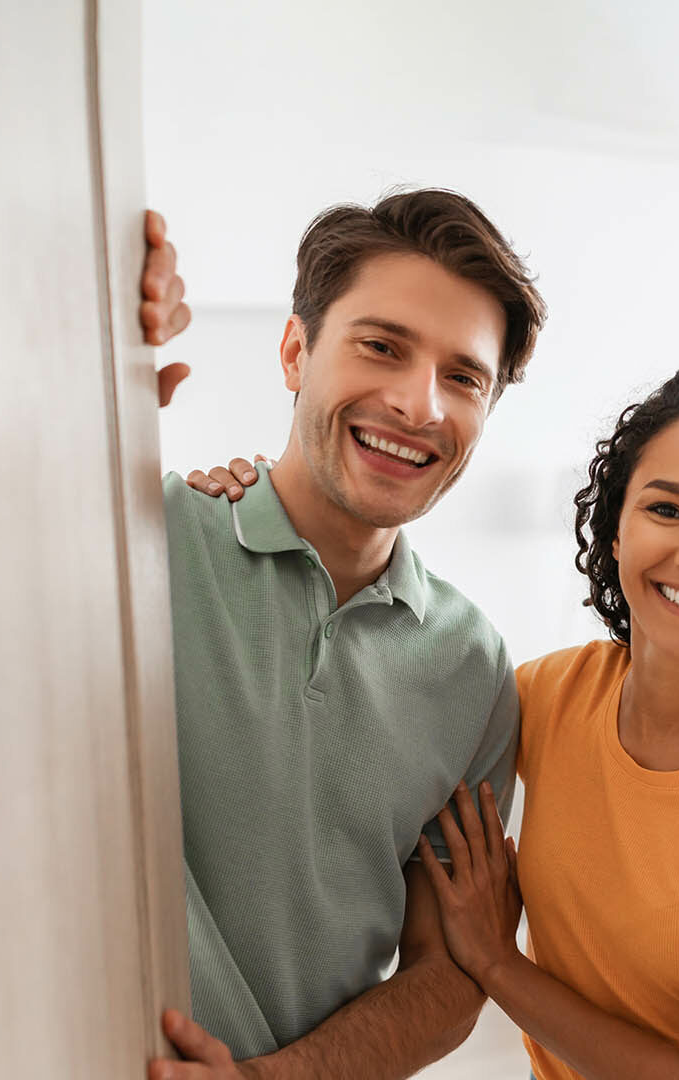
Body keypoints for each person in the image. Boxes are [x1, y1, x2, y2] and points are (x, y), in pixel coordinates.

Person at [196, 362, 679, 1078]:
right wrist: (248, 500)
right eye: (667, 508)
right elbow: (377, 717)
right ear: (615, 531)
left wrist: (501, 967)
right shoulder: (545, 698)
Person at [131, 191, 548, 1080]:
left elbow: (447, 975)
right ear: (295, 352)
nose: (417, 403)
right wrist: (95, 339)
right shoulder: (142, 542)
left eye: (463, 377)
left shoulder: (473, 672)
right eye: (382, 346)